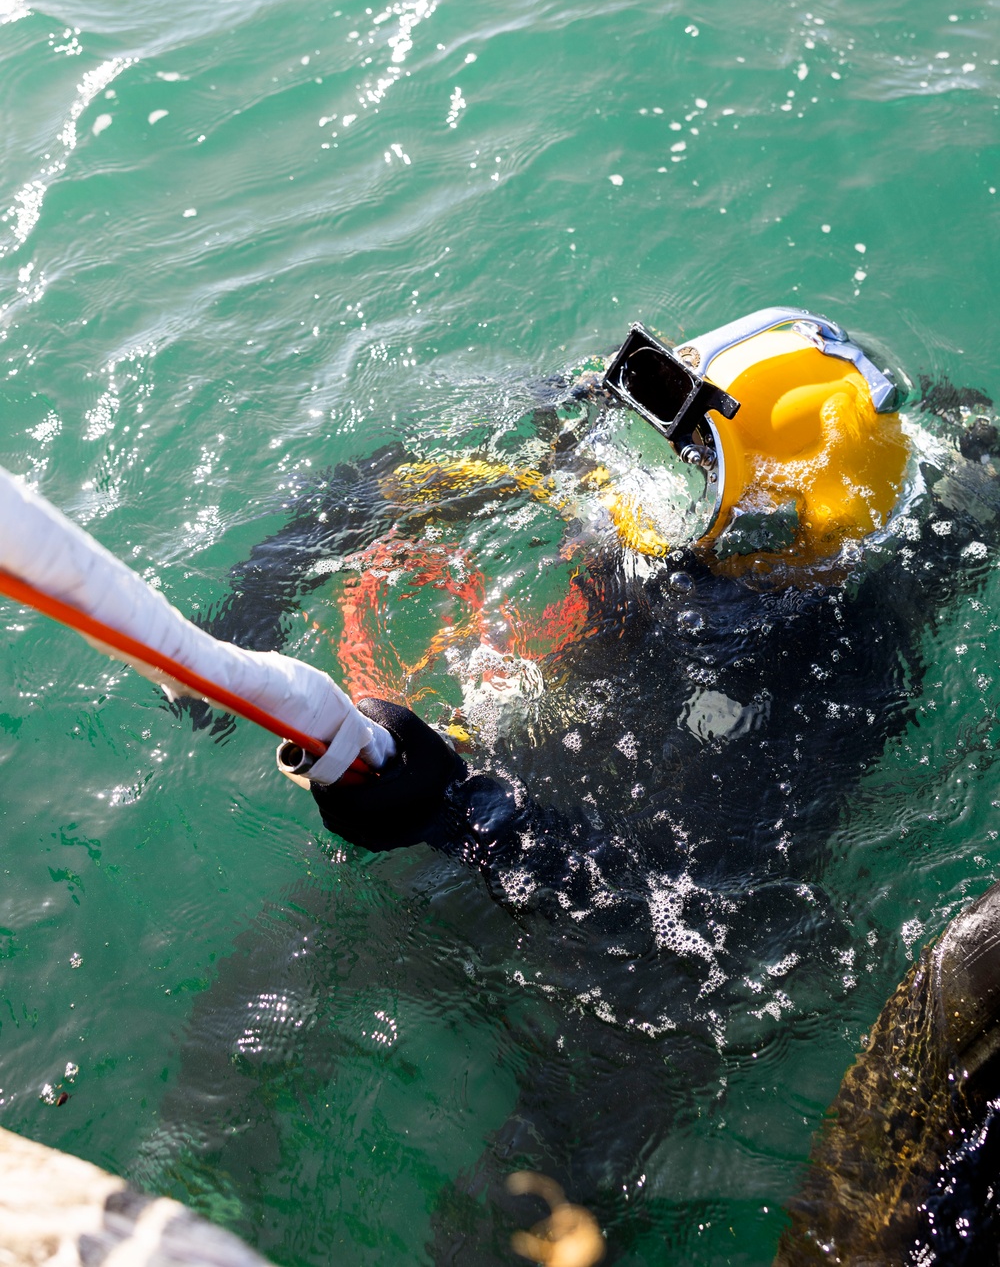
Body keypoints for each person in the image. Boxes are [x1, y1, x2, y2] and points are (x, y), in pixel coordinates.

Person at [179, 307, 1000, 1260]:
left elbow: (685, 917)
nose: (645, 473)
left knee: (512, 1217)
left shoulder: (840, 683)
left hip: (637, 995)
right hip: (501, 812)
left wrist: (454, 811)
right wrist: (268, 584)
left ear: (776, 520)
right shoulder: (686, 525)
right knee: (265, 989)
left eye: (692, 465)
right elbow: (419, 469)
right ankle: (191, 1169)